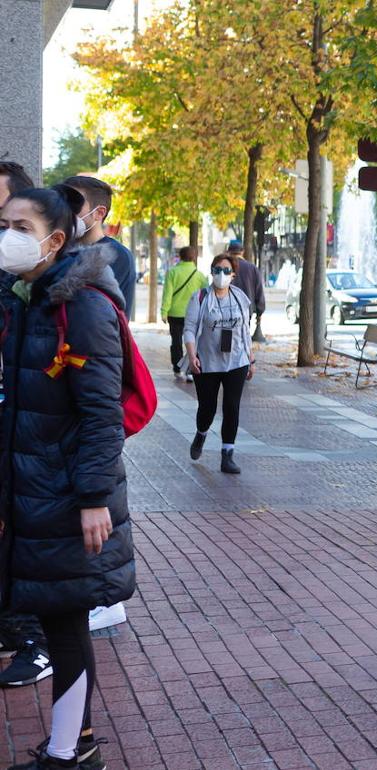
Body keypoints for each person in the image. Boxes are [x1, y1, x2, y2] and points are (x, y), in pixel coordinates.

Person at [0, 186, 134, 770]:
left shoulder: (82, 306)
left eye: (19, 226)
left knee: (66, 619)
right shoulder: (30, 297)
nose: (7, 236)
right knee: (56, 616)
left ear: (56, 240)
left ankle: (70, 752)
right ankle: (72, 745)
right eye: (4, 223)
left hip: (64, 492)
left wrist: (92, 498)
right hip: (32, 486)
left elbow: (103, 412)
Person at [0, 160, 52, 693]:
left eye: (11, 221)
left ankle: (34, 643)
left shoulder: (40, 291)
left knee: (27, 534)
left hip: (26, 434)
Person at [183, 253, 256, 475]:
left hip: (236, 360)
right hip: (207, 361)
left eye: (226, 271)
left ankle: (227, 455)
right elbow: (189, 329)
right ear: (211, 272)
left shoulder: (240, 298)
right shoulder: (200, 298)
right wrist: (192, 355)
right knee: (208, 407)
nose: (221, 275)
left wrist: (250, 359)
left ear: (233, 275)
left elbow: (245, 331)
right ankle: (201, 433)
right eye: (217, 270)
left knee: (231, 407)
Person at [63, 176, 136, 320]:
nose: (65, 211)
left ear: (99, 213)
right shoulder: (59, 249)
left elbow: (95, 313)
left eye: (74, 205)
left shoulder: (117, 255)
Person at [161, 246, 207, 383]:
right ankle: (190, 370)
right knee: (192, 342)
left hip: (175, 313)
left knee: (176, 341)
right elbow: (205, 295)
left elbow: (167, 294)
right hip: (194, 314)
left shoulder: (172, 272)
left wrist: (164, 311)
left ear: (180, 257)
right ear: (193, 258)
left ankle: (177, 368)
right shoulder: (199, 275)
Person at [227, 240, 267, 343]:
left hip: (226, 308)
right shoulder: (252, 268)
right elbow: (259, 290)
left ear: (228, 252)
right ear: (242, 251)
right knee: (243, 338)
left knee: (227, 340)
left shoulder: (226, 267)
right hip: (245, 309)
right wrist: (259, 310)